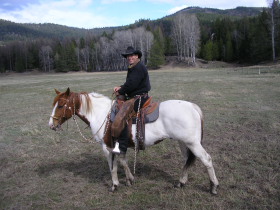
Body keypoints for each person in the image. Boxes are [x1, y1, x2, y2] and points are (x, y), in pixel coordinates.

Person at [112, 46, 151, 154]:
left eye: (132, 55)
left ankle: (122, 146)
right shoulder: (134, 67)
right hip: (136, 95)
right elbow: (130, 83)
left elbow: (132, 85)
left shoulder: (138, 67)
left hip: (139, 98)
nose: (130, 57)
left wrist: (121, 91)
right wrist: (121, 87)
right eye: (128, 56)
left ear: (137, 56)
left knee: (122, 114)